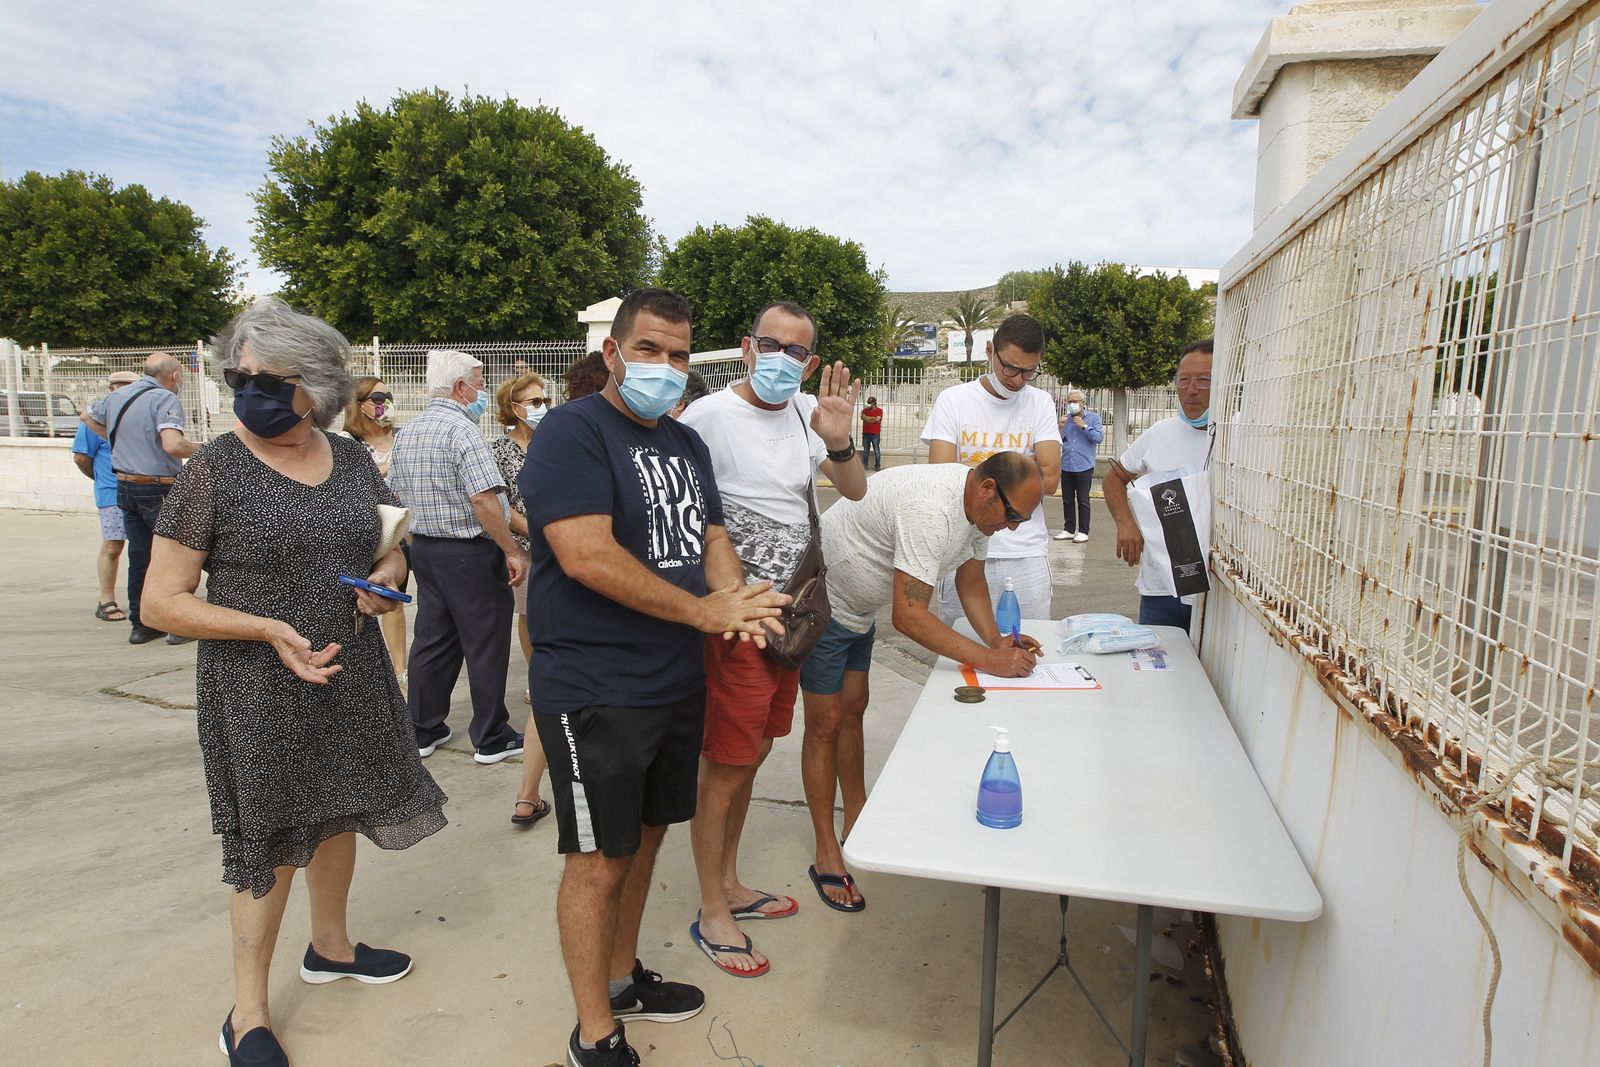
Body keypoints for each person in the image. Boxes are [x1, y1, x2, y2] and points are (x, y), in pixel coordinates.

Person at [138, 298, 447, 1067]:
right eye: (240, 377)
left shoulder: (349, 458)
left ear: (318, 386)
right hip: (257, 686)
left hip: (347, 669)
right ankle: (247, 1012)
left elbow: (390, 538)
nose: (252, 392)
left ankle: (331, 946)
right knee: (269, 837)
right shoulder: (213, 470)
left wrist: (388, 573)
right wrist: (267, 628)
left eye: (271, 380)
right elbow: (160, 601)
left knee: (340, 809)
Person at [519, 288, 789, 1067]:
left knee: (644, 837)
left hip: (673, 679)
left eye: (678, 354)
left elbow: (712, 538)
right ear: (613, 352)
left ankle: (621, 976)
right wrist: (703, 611)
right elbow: (584, 554)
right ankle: (593, 1031)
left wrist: (736, 602)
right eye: (649, 349)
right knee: (598, 856)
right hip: (594, 684)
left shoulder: (684, 442)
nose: (665, 367)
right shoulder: (571, 432)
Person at [679, 300, 867, 977]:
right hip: (738, 622)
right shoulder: (707, 418)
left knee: (753, 754)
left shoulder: (806, 414)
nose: (783, 359)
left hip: (791, 619)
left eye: (797, 351)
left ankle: (730, 883)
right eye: (772, 344)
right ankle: (712, 909)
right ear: (746, 346)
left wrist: (839, 441)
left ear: (810, 363)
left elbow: (854, 488)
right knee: (726, 763)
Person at [799, 452, 1042, 910]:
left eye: (1022, 521)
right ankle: (826, 849)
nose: (1012, 527)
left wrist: (999, 641)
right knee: (825, 722)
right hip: (823, 605)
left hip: (857, 610)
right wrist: (990, 660)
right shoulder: (932, 510)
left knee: (853, 708)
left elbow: (971, 581)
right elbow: (909, 616)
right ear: (987, 489)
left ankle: (857, 817)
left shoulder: (980, 513)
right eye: (1013, 516)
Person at [388, 350, 528, 765]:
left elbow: (395, 492)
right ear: (461, 387)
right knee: (485, 641)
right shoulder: (463, 432)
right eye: (480, 382)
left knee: (433, 639)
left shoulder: (409, 432)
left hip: (426, 549)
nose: (483, 390)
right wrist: (510, 549)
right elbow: (484, 499)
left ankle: (422, 727)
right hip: (469, 552)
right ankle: (491, 735)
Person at [921, 313, 1062, 622]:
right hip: (963, 551)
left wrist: (974, 471)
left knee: (1028, 642)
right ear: (989, 351)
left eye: (1029, 371)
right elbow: (942, 478)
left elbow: (1050, 479)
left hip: (1025, 555)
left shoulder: (1040, 403)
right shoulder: (953, 401)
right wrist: (1025, 470)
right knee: (961, 644)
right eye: (1010, 367)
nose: (1017, 379)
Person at [82, 351, 199, 644]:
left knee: (140, 555)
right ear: (174, 376)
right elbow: (173, 445)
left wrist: (119, 440)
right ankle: (178, 626)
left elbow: (87, 416)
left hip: (125, 486)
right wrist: (209, 449)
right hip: (158, 488)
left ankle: (143, 625)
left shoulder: (118, 396)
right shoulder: (164, 398)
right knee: (176, 556)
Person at [1103, 339, 1214, 632]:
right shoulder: (1160, 433)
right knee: (1158, 657)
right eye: (1183, 380)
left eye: (1204, 380)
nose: (1191, 390)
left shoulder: (1244, 435)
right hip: (1162, 588)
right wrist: (1125, 524)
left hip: (1219, 590)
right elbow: (1114, 477)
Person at [491, 371, 554, 827]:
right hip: (531, 551)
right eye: (533, 400)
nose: (542, 405)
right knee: (531, 616)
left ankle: (528, 795)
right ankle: (538, 677)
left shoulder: (554, 440)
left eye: (544, 397)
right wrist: (539, 533)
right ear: (513, 408)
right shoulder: (499, 451)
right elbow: (500, 506)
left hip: (565, 549)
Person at [341, 377, 409, 684]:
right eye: (378, 398)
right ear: (359, 404)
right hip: (375, 532)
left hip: (409, 529)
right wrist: (387, 469)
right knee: (377, 596)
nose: (385, 403)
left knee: (397, 599)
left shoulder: (403, 437)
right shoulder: (347, 442)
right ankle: (388, 670)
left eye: (387, 396)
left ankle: (400, 669)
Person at [74, 369, 140, 622]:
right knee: (113, 545)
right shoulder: (93, 422)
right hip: (112, 492)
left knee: (145, 547)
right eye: (119, 387)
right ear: (111, 390)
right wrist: (102, 480)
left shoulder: (140, 415)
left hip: (141, 489)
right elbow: (81, 458)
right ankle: (106, 600)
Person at [1053, 388, 1104, 542]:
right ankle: (1069, 529)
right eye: (1070, 402)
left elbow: (1099, 438)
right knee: (1067, 499)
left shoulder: (1093, 418)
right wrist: (1060, 427)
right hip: (1067, 464)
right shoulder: (1066, 420)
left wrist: (1084, 426)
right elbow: (1058, 441)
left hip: (1084, 465)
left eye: (1075, 401)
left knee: (1083, 499)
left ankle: (1083, 531)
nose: (1072, 404)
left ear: (1083, 403)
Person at [860, 395, 883, 470]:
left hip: (875, 433)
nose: (869, 404)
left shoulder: (879, 410)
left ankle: (877, 466)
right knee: (865, 451)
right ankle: (865, 465)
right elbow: (863, 417)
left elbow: (877, 419)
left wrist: (868, 419)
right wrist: (873, 418)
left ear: (874, 403)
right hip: (866, 433)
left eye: (870, 403)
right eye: (869, 403)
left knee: (876, 451)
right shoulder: (865, 410)